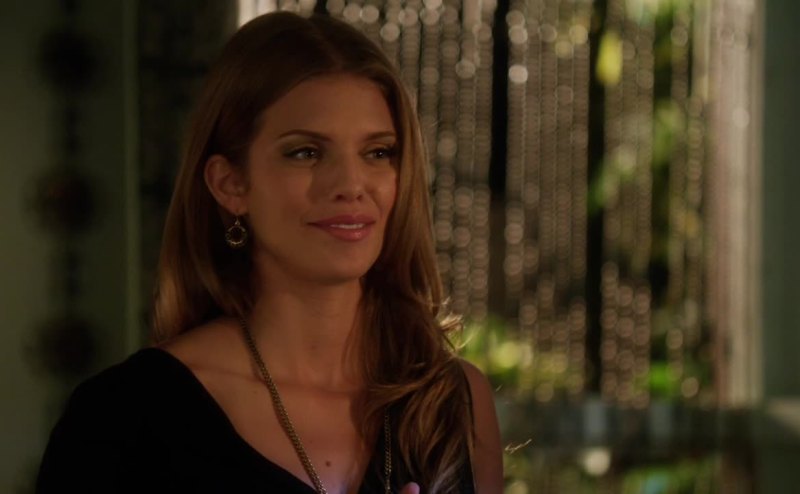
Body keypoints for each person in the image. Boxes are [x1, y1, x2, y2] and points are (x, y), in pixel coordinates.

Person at [36, 11, 503, 494]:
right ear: (230, 184)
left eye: (378, 152)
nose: (351, 185)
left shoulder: (454, 401)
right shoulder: (124, 416)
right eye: (306, 152)